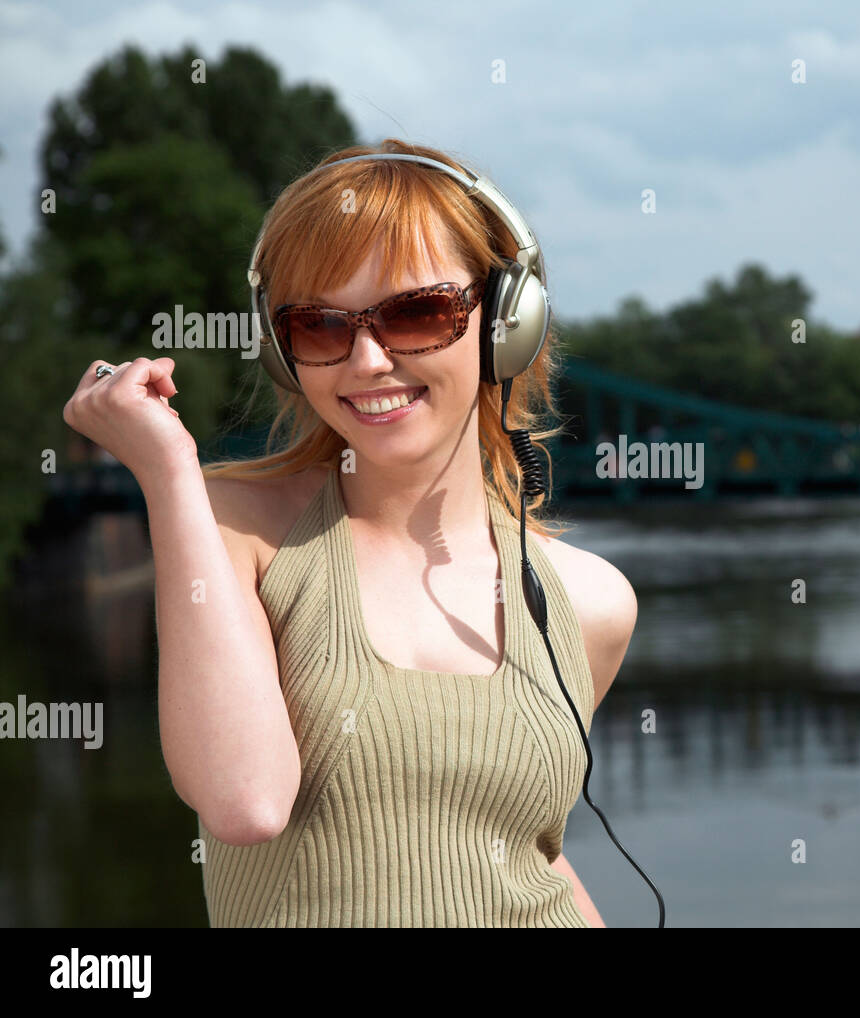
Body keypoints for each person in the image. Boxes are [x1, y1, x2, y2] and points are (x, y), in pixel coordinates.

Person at [61, 139, 637, 927]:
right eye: (321, 326)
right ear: (282, 351)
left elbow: (520, 850)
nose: (368, 360)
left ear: (508, 320)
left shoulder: (587, 600)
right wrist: (169, 472)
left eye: (418, 313)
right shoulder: (232, 527)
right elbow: (246, 802)